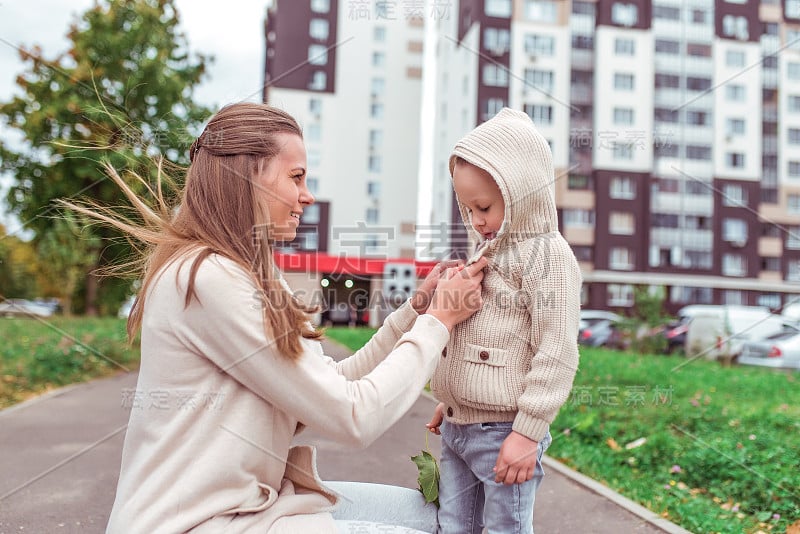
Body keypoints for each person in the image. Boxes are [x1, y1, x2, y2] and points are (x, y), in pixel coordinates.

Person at [69, 102, 488, 533]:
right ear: (248, 177)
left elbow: (328, 388)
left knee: (451, 518)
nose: (307, 195)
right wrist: (440, 321)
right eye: (296, 177)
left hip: (251, 506)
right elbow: (354, 417)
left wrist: (413, 314)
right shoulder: (209, 278)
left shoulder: (251, 272)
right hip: (199, 523)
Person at [426, 108, 582, 534]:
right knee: (453, 524)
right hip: (460, 426)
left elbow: (556, 351)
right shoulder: (488, 251)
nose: (476, 220)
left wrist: (528, 433)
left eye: (484, 207)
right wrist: (453, 395)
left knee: (504, 528)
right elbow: (484, 335)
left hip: (505, 433)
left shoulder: (548, 257)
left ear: (521, 193)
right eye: (467, 208)